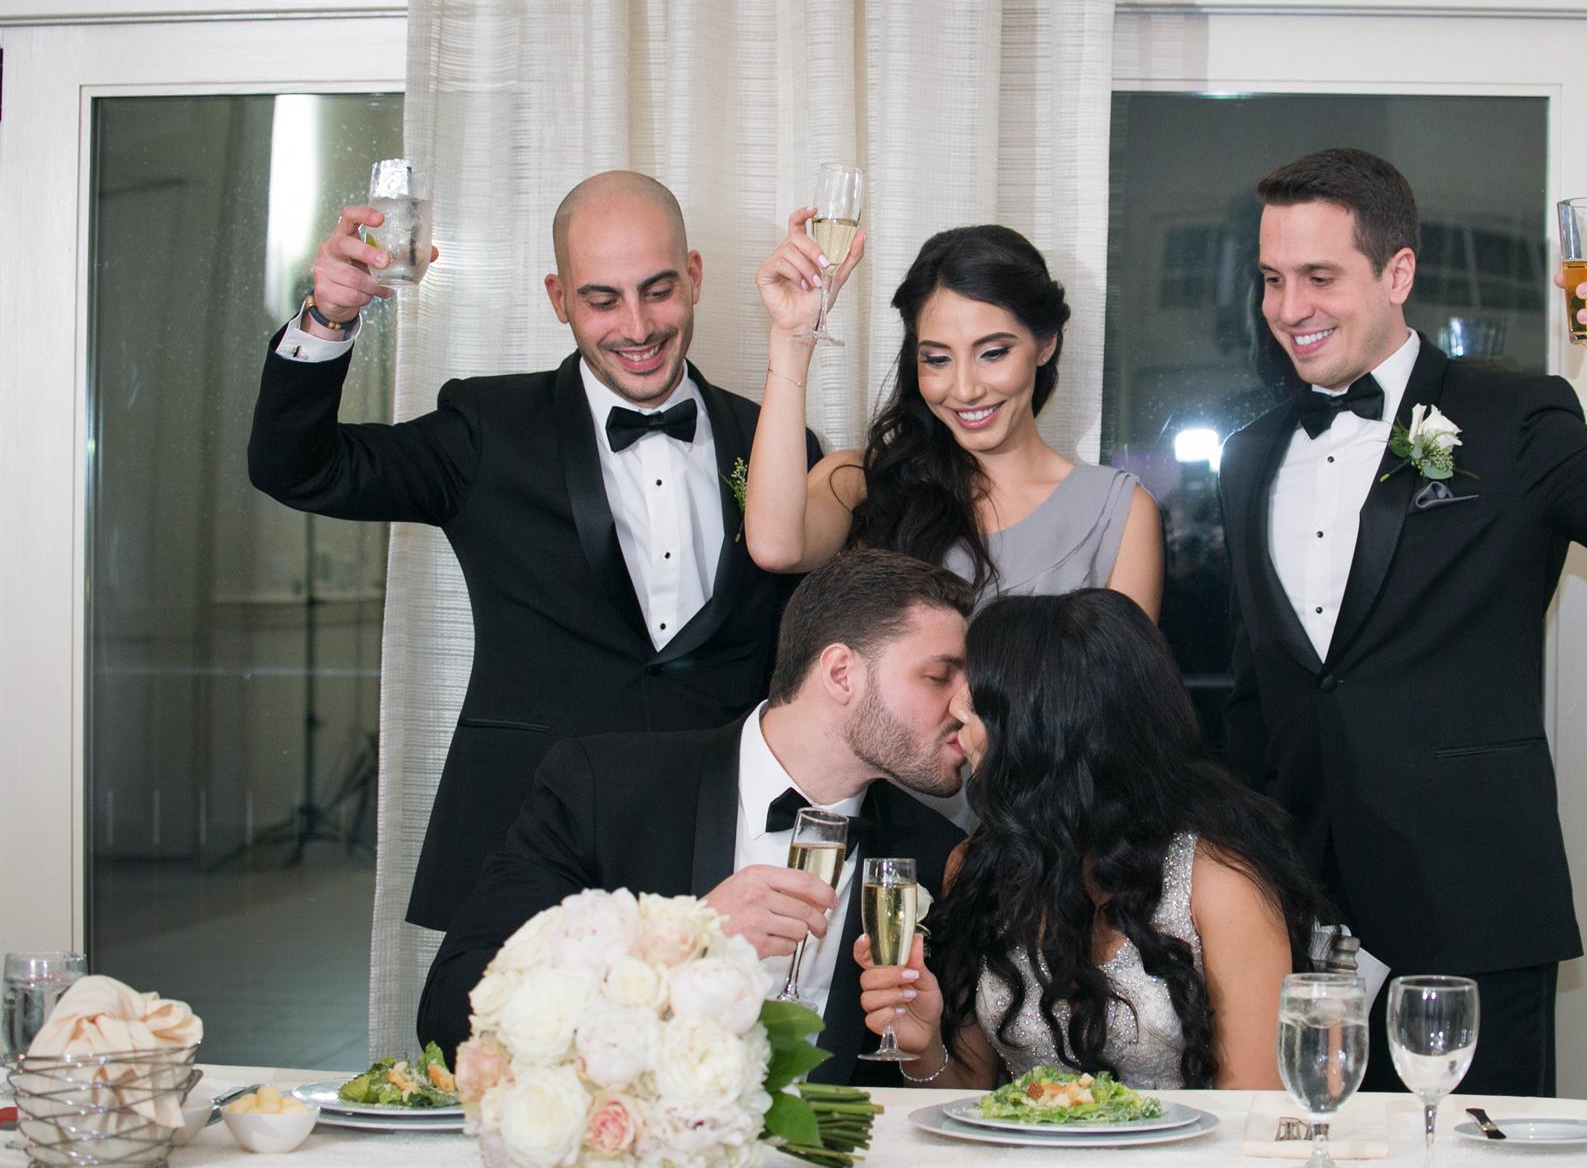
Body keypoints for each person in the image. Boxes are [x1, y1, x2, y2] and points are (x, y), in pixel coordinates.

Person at [1220, 147, 1587, 1096]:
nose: (1289, 307)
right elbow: (1265, 686)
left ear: (1398, 273)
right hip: (1297, 912)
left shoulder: (1511, 417)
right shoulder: (1248, 455)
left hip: (1472, 902)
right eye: (1272, 278)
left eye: (1320, 277)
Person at [248, 171, 820, 932]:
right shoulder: (488, 428)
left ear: (694, 276)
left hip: (723, 847)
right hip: (532, 845)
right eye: (602, 300)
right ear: (559, 299)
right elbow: (298, 468)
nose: (638, 327)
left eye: (657, 291)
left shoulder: (777, 444)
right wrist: (328, 318)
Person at [416, 549, 972, 1083]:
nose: (966, 708)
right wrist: (677, 945)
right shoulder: (603, 790)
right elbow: (451, 1008)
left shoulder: (937, 855)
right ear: (841, 673)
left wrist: (922, 1053)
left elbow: (947, 1092)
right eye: (939, 676)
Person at [855, 589, 1322, 1089]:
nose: (955, 710)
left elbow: (1255, 1110)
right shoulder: (977, 867)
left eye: (983, 697)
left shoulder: (1220, 883)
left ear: (1047, 728)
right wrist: (923, 1047)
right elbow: (965, 1098)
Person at [743, 215, 1164, 619]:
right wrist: (793, 336)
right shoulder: (864, 482)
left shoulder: (1118, 511)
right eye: (937, 359)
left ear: (1046, 344)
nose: (965, 390)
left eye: (993, 353)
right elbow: (776, 549)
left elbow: (1120, 669)